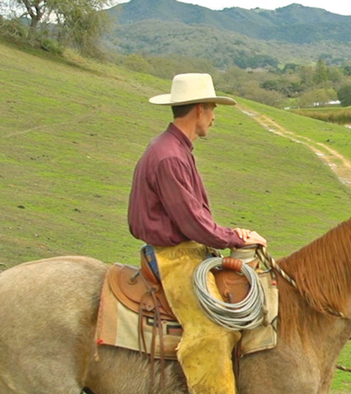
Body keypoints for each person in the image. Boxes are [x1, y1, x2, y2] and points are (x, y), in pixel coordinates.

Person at [128, 73, 266, 394]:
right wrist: (236, 237)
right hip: (175, 257)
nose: (215, 118)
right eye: (213, 109)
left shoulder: (175, 148)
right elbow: (194, 223)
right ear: (200, 109)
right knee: (212, 335)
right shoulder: (170, 157)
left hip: (188, 250)